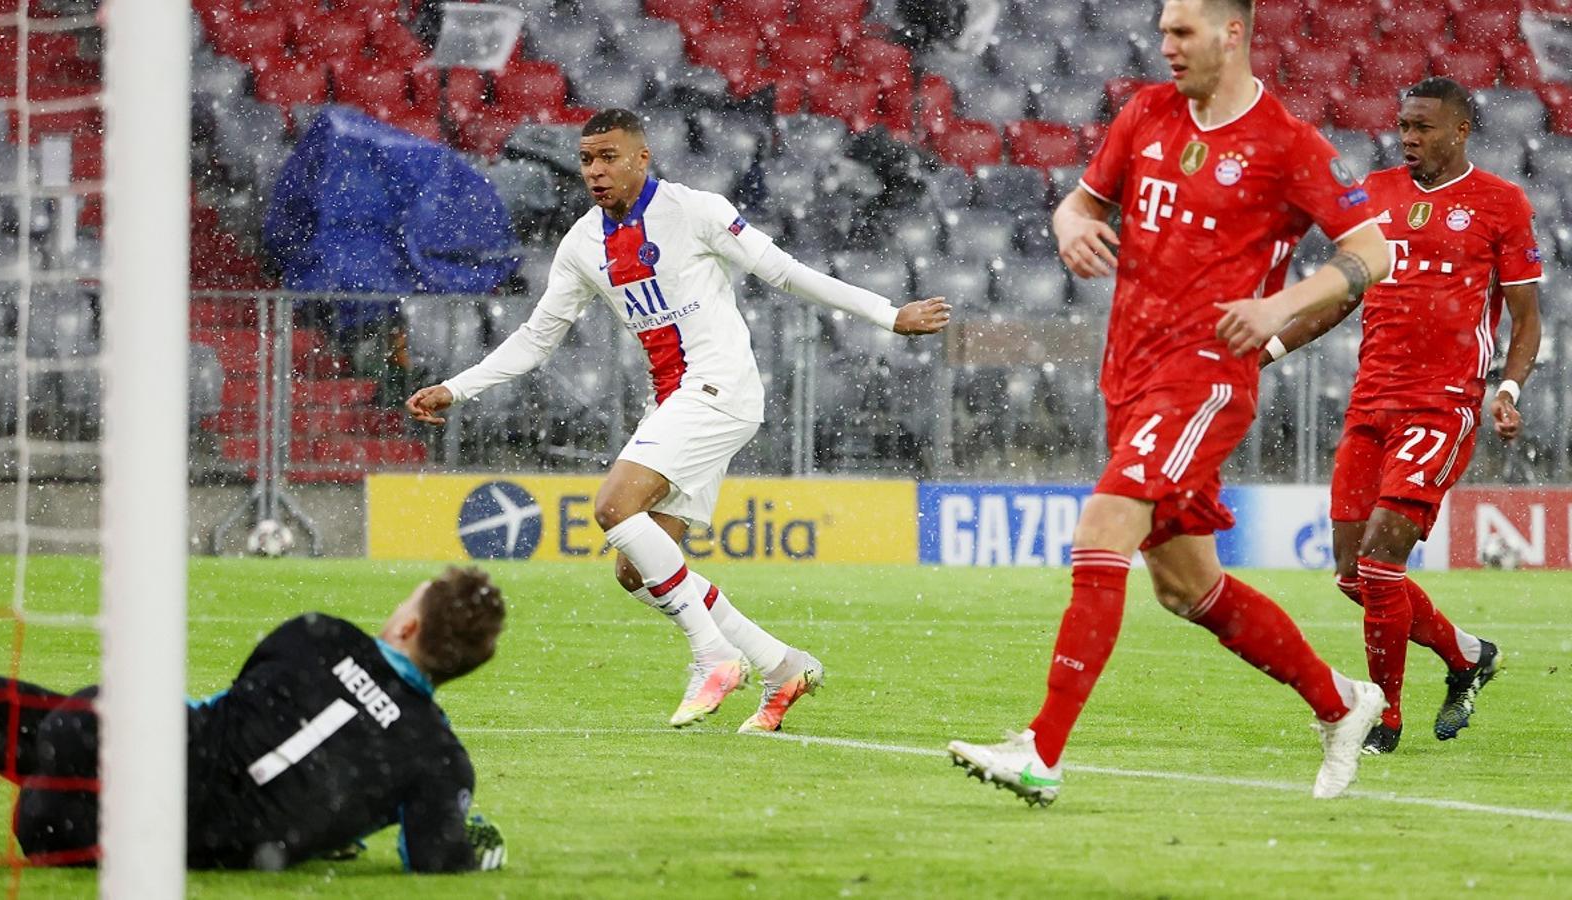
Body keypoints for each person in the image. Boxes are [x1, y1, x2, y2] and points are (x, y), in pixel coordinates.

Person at [947, 0, 1392, 806]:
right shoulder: (1147, 112)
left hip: (1206, 379)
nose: (1166, 47)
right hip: (1131, 375)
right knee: (1186, 588)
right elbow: (1081, 202)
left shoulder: (1288, 146)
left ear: (1233, 33)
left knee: (1104, 524)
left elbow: (1373, 250)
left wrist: (1278, 306)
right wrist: (1067, 225)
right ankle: (1342, 700)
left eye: (1182, 32)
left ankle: (1041, 749)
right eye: (1162, 31)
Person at [405, 108, 951, 732]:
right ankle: (781, 666)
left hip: (720, 386)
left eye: (609, 157)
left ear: (643, 158)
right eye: (586, 160)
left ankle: (714, 657)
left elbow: (784, 273)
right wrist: (457, 387)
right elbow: (536, 338)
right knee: (637, 571)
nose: (596, 171)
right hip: (673, 400)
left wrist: (888, 314)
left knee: (614, 508)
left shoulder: (698, 211)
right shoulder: (583, 243)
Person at [1260, 77, 1538, 754]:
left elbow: (1527, 318)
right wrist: (1266, 347)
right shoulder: (1376, 195)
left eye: (1423, 128)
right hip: (1371, 403)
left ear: (1461, 130)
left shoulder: (1501, 203)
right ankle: (1467, 654)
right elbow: (1339, 298)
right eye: (1403, 127)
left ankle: (1383, 718)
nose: (1408, 139)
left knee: (1383, 563)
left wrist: (1509, 388)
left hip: (1442, 405)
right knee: (1353, 575)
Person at [0, 567, 508, 872]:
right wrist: (482, 848)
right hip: (80, 839)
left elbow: (247, 704)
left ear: (407, 627)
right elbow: (435, 859)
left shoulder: (320, 633)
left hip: (91, 741)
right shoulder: (442, 760)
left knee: (110, 722)